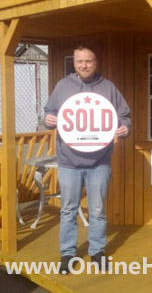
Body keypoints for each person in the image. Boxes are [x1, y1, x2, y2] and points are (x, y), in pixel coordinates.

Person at [44, 46, 130, 273]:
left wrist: (124, 128)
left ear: (96, 62)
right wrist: (48, 119)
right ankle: (68, 254)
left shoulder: (108, 88)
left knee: (98, 210)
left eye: (88, 61)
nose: (84, 65)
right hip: (69, 162)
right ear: (74, 63)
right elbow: (49, 111)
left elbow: (124, 116)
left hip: (99, 163)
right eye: (79, 61)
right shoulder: (63, 86)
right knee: (68, 209)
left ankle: (97, 252)